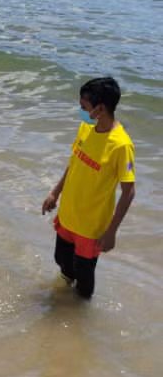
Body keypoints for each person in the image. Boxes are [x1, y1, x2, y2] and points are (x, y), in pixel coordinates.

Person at [41, 76, 135, 299]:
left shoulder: (121, 145)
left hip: (91, 227)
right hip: (68, 214)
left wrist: (111, 231)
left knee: (84, 277)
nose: (81, 110)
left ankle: (80, 316)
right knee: (62, 261)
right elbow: (73, 163)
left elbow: (129, 192)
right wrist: (55, 192)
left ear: (100, 108)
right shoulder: (85, 129)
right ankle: (63, 301)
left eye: (84, 106)